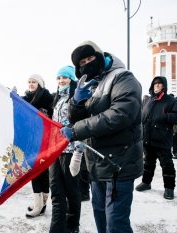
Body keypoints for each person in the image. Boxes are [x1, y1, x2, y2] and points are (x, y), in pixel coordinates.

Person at [61, 41, 143, 233]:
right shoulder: (91, 84)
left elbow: (120, 114)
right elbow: (76, 118)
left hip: (119, 162)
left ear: (101, 57)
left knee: (116, 223)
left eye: (90, 58)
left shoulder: (122, 78)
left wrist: (76, 130)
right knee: (101, 216)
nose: (87, 63)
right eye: (83, 62)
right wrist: (77, 102)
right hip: (97, 162)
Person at [136, 76, 177, 200]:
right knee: (148, 163)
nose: (157, 86)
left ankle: (169, 188)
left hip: (162, 139)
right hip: (148, 138)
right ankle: (146, 183)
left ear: (164, 86)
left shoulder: (171, 101)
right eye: (155, 84)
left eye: (159, 84)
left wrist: (165, 116)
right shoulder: (149, 100)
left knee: (167, 165)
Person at [48, 65, 81, 233]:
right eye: (59, 78)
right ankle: (56, 227)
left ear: (71, 79)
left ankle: (72, 225)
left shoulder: (76, 98)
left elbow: (80, 121)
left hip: (70, 150)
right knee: (56, 190)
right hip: (55, 150)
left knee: (71, 190)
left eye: (65, 77)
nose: (61, 81)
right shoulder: (57, 98)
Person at [22, 74, 53, 218]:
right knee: (34, 171)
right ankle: (39, 203)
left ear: (39, 83)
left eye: (34, 81)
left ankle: (41, 205)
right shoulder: (27, 98)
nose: (31, 84)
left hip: (43, 139)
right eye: (29, 81)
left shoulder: (46, 97)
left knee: (39, 171)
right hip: (31, 139)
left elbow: (50, 118)